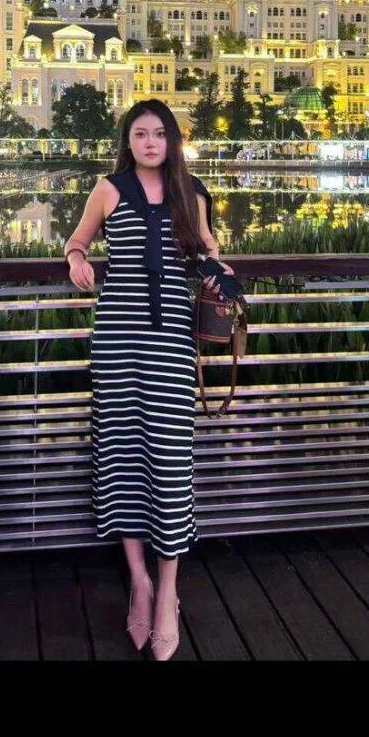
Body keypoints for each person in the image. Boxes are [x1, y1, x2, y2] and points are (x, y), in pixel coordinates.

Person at [63, 99, 235, 661]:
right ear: (128, 140)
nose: (151, 142)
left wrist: (218, 273)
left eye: (159, 133)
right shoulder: (108, 189)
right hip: (118, 342)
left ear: (172, 140)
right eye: (140, 134)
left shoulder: (192, 193)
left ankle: (168, 593)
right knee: (121, 454)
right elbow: (77, 240)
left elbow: (208, 253)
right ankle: (138, 581)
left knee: (169, 460)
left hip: (170, 346)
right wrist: (77, 260)